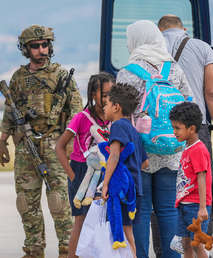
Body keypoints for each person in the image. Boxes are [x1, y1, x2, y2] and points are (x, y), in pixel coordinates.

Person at [0, 24, 83, 258]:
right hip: (26, 145)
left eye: (45, 45)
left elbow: (76, 113)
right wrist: (3, 140)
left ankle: (67, 248)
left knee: (59, 200)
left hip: (56, 143)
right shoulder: (18, 77)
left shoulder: (62, 76)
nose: (41, 50)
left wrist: (69, 144)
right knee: (26, 200)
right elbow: (9, 110)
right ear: (26, 49)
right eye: (35, 46)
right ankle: (34, 248)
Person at [116, 20, 193, 258]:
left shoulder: (128, 72)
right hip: (172, 148)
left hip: (140, 152)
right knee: (169, 210)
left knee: (140, 210)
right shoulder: (174, 69)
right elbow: (189, 103)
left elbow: (120, 115)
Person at [158, 13, 213, 246]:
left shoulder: (154, 48)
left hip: (162, 131)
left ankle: (167, 249)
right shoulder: (201, 47)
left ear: (160, 30)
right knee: (199, 190)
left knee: (166, 196)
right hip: (194, 129)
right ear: (184, 29)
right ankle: (201, 246)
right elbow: (211, 94)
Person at [55, 72, 114, 258]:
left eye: (110, 94)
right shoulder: (81, 117)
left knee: (103, 220)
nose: (107, 98)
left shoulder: (114, 116)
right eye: (103, 94)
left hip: (106, 173)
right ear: (92, 94)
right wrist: (73, 177)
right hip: (82, 172)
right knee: (81, 221)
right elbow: (59, 146)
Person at [102, 82, 149, 256]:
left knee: (123, 231)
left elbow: (114, 156)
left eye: (106, 104)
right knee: (129, 231)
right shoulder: (133, 131)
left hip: (122, 190)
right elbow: (145, 163)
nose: (104, 108)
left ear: (116, 107)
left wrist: (106, 184)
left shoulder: (118, 126)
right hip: (135, 190)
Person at [169, 102, 212, 258]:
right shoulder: (187, 147)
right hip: (184, 206)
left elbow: (202, 178)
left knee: (197, 245)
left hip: (195, 206)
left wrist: (202, 207)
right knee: (185, 243)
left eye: (177, 128)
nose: (174, 132)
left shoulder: (198, 149)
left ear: (192, 128)